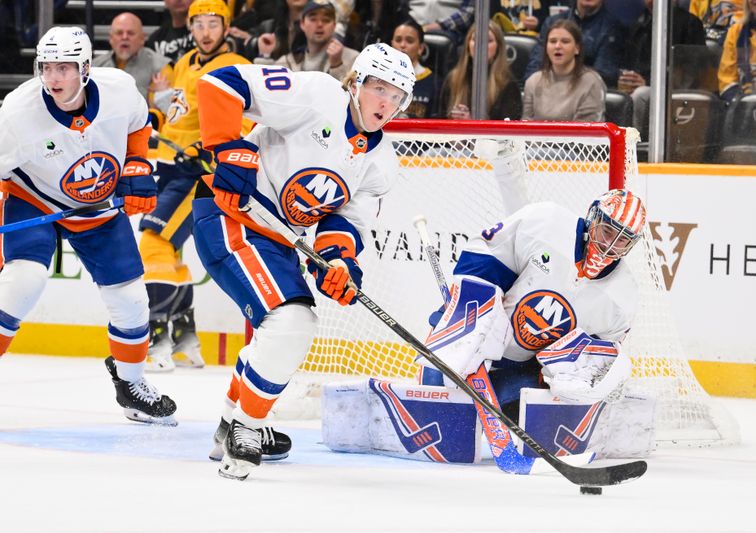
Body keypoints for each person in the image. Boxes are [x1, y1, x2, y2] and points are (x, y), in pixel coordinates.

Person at [193, 41, 415, 480]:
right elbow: (222, 82)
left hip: (277, 239)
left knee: (281, 329)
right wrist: (229, 148)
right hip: (229, 215)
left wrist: (338, 262)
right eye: (378, 88)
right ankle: (247, 427)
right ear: (356, 82)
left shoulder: (381, 164)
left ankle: (229, 423)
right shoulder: (316, 95)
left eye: (397, 95)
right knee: (292, 321)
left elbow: (343, 220)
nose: (385, 102)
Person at [0, 27, 177, 425]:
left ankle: (131, 383)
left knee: (132, 300)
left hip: (97, 204)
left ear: (84, 69)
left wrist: (137, 165)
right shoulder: (17, 113)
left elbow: (138, 124)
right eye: (46, 67)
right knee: (23, 282)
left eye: (63, 68)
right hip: (33, 199)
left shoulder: (118, 89)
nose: (53, 78)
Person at [419, 186, 647, 421]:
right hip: (474, 337)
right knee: (435, 403)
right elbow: (484, 258)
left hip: (522, 370)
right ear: (593, 218)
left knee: (526, 421)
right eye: (607, 231)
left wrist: (564, 376)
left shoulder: (623, 298)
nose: (610, 244)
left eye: (622, 240)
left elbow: (593, 361)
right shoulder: (546, 223)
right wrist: (471, 315)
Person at [141, 0, 251, 373]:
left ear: (227, 27)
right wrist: (154, 121)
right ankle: (186, 342)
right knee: (169, 252)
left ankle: (157, 339)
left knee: (153, 243)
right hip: (169, 168)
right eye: (198, 24)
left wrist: (208, 149)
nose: (205, 32)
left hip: (199, 174)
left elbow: (247, 120)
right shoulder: (184, 63)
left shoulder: (236, 66)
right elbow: (177, 113)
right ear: (189, 28)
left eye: (212, 24)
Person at [619, 0, 705, 137]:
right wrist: (627, 79)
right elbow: (628, 63)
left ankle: (637, 143)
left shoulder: (689, 23)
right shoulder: (638, 23)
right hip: (641, 86)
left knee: (640, 94)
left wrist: (647, 82)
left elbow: (691, 73)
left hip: (672, 90)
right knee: (618, 97)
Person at [524, 0, 624, 88]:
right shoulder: (552, 22)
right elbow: (536, 65)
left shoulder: (612, 27)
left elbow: (603, 75)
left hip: (585, 92)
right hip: (548, 89)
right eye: (553, 41)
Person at [522, 19, 606, 121]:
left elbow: (586, 129)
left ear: (577, 48)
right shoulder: (533, 81)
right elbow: (526, 124)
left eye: (565, 42)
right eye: (553, 41)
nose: (557, 46)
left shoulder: (591, 82)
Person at [439, 20, 523, 120]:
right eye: (475, 39)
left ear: (498, 47)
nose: (481, 45)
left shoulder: (508, 84)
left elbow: (508, 127)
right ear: (468, 45)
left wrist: (472, 123)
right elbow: (440, 120)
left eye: (488, 40)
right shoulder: (453, 79)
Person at [266, 0, 360, 81]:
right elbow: (266, 85)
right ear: (302, 24)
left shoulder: (353, 58)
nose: (319, 24)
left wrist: (337, 66)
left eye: (326, 20)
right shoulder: (287, 62)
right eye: (313, 19)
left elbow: (353, 93)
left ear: (334, 25)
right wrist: (265, 55)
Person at [93, 12, 173, 108]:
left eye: (130, 33)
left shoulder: (160, 67)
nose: (124, 37)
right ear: (110, 38)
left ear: (142, 38)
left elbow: (170, 109)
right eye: (119, 33)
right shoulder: (95, 67)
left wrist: (161, 97)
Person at [391, 19, 439, 118]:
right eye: (398, 40)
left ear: (420, 48)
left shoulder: (435, 83)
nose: (402, 45)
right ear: (391, 45)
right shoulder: (379, 78)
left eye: (409, 41)